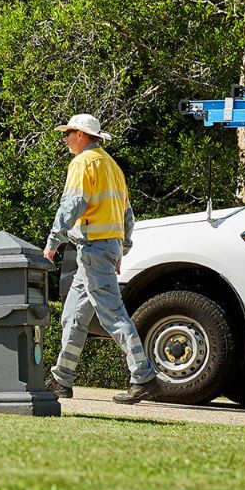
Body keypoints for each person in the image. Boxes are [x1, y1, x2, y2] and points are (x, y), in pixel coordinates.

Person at [42, 114, 159, 404]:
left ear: (81, 134)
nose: (66, 139)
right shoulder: (112, 166)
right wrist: (123, 247)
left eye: (68, 133)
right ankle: (61, 379)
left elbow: (72, 204)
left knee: (113, 315)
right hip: (100, 250)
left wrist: (53, 241)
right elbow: (127, 213)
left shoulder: (83, 163)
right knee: (73, 316)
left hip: (93, 249)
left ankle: (143, 377)